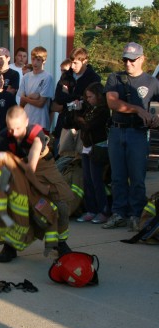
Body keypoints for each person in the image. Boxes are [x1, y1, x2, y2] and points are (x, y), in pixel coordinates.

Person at [0, 106, 74, 262]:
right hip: (15, 169)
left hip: (43, 166)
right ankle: (9, 246)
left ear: (26, 122)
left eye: (18, 128)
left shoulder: (37, 136)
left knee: (61, 206)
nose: (14, 133)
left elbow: (31, 169)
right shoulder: (2, 138)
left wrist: (42, 188)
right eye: (11, 129)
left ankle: (60, 243)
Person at [103, 42, 159, 231]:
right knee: (118, 177)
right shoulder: (115, 78)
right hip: (117, 131)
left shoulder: (152, 82)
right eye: (125, 59)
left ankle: (136, 215)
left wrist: (155, 118)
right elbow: (112, 103)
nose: (128, 64)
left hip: (138, 134)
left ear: (142, 59)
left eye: (132, 60)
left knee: (137, 177)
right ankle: (118, 213)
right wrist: (137, 109)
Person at [51, 48, 100, 158]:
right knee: (63, 157)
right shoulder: (66, 75)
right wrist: (77, 98)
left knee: (81, 159)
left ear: (85, 61)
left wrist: (68, 96)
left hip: (84, 125)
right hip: (66, 123)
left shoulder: (93, 78)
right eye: (71, 62)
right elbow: (59, 98)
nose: (72, 66)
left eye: (76, 63)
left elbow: (91, 101)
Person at [74, 82, 111, 225]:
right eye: (86, 97)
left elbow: (88, 125)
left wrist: (78, 115)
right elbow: (77, 125)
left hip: (98, 147)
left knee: (97, 181)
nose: (88, 99)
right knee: (87, 180)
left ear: (98, 96)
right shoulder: (89, 109)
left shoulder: (103, 110)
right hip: (86, 147)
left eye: (90, 97)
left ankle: (103, 210)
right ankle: (91, 209)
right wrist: (77, 112)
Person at [17, 46, 55, 131]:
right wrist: (31, 97)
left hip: (41, 122)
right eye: (33, 59)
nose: (35, 63)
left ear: (44, 61)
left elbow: (41, 103)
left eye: (38, 60)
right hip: (26, 121)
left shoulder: (47, 77)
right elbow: (21, 103)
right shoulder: (26, 77)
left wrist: (26, 98)